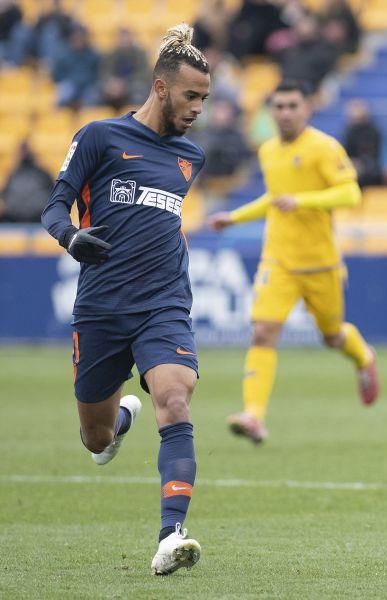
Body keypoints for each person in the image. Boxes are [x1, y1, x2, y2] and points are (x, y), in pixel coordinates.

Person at [40, 24, 209, 575]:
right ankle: (117, 422)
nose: (198, 108)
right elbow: (52, 208)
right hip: (102, 306)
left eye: (205, 98)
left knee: (176, 399)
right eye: (191, 96)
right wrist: (71, 238)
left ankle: (171, 533)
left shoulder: (191, 157)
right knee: (96, 439)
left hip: (164, 302)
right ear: (160, 88)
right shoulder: (98, 137)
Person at [206, 80, 379, 444]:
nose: (285, 113)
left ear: (307, 109)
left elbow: (351, 192)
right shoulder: (268, 151)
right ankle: (253, 415)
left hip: (320, 263)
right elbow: (275, 197)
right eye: (279, 106)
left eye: (292, 106)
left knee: (332, 337)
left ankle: (363, 356)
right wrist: (234, 217)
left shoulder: (323, 148)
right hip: (279, 259)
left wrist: (303, 202)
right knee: (263, 331)